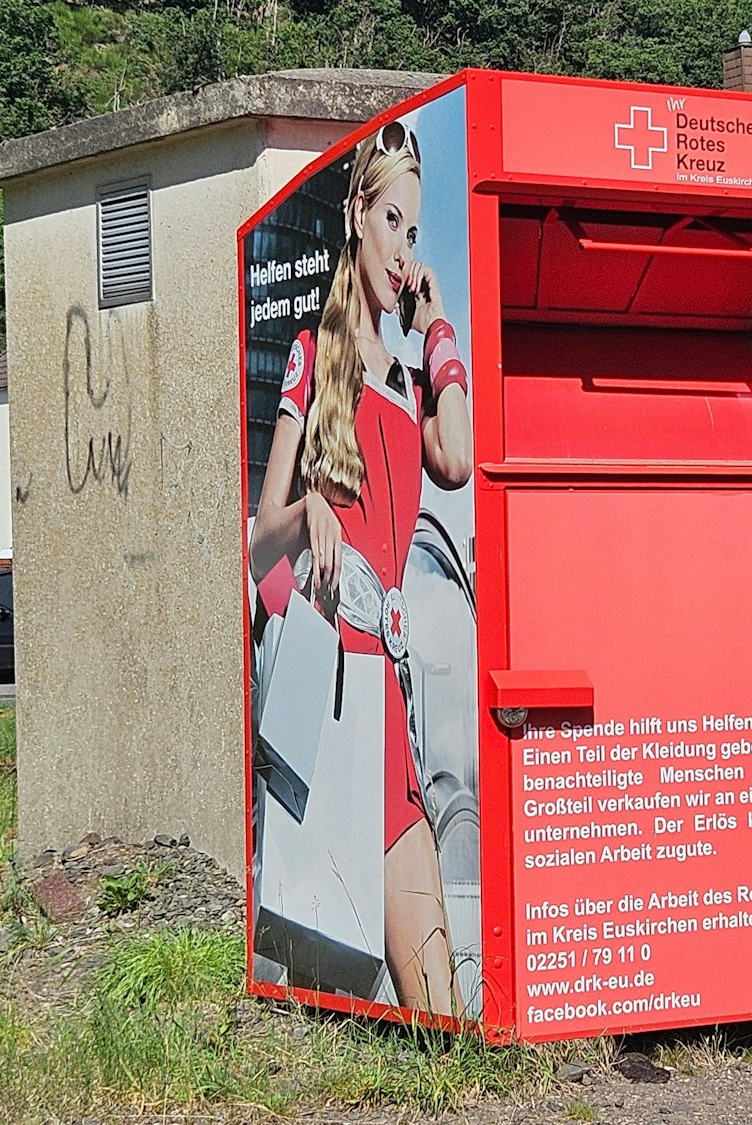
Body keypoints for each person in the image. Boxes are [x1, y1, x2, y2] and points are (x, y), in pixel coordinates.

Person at [250, 118, 473, 1016]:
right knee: (332, 979)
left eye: (414, 231)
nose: (403, 248)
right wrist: (308, 509)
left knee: (437, 1005)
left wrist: (438, 325)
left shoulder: (411, 381)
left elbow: (458, 458)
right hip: (334, 691)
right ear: (355, 215)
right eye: (391, 221)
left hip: (394, 691)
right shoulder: (311, 357)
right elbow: (258, 542)